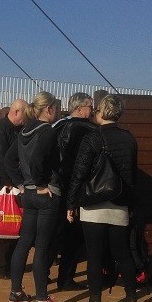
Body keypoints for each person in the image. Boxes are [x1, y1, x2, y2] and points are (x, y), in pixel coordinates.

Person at [66, 93, 141, 302]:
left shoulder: (92, 138)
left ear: (103, 111)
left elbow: (79, 174)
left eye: (97, 109)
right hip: (120, 203)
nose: (95, 113)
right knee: (123, 253)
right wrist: (131, 204)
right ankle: (132, 300)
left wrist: (71, 203)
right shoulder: (129, 139)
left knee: (95, 255)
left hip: (94, 203)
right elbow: (132, 175)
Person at [3, 91, 66, 302]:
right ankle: (41, 300)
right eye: (57, 107)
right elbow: (39, 160)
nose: (59, 111)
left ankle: (16, 292)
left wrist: (21, 184)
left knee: (24, 242)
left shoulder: (24, 131)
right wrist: (40, 184)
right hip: (45, 193)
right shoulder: (48, 131)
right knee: (42, 246)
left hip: (28, 194)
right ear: (49, 109)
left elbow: (9, 160)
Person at [51, 92, 96, 291]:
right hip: (76, 189)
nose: (92, 111)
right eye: (90, 107)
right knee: (73, 237)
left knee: (53, 234)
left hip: (55, 187)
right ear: (80, 109)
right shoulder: (86, 130)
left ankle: (43, 276)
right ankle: (66, 279)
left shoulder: (57, 126)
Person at [0, 99, 27, 279]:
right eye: (26, 114)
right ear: (17, 112)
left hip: (10, 183)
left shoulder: (12, 129)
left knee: (13, 224)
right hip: (5, 184)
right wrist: (8, 181)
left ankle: (6, 265)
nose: (27, 118)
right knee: (4, 225)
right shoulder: (1, 129)